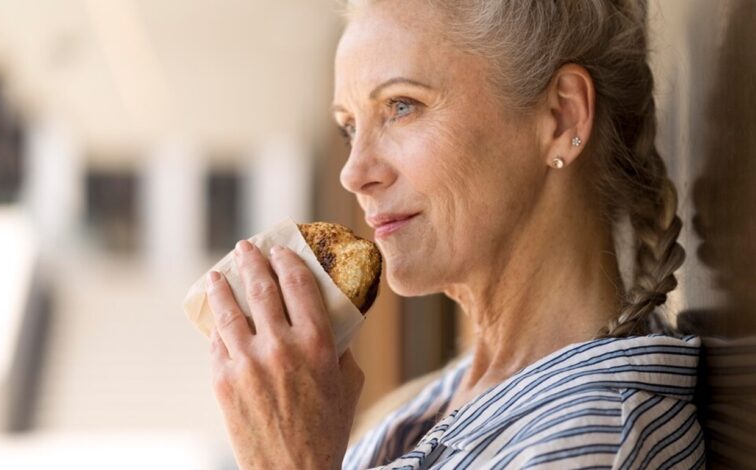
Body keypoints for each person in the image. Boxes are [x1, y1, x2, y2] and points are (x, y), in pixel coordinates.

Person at [203, 0, 705, 468]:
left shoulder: (594, 442)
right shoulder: (435, 403)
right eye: (349, 127)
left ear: (561, 118)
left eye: (401, 106)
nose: (354, 173)